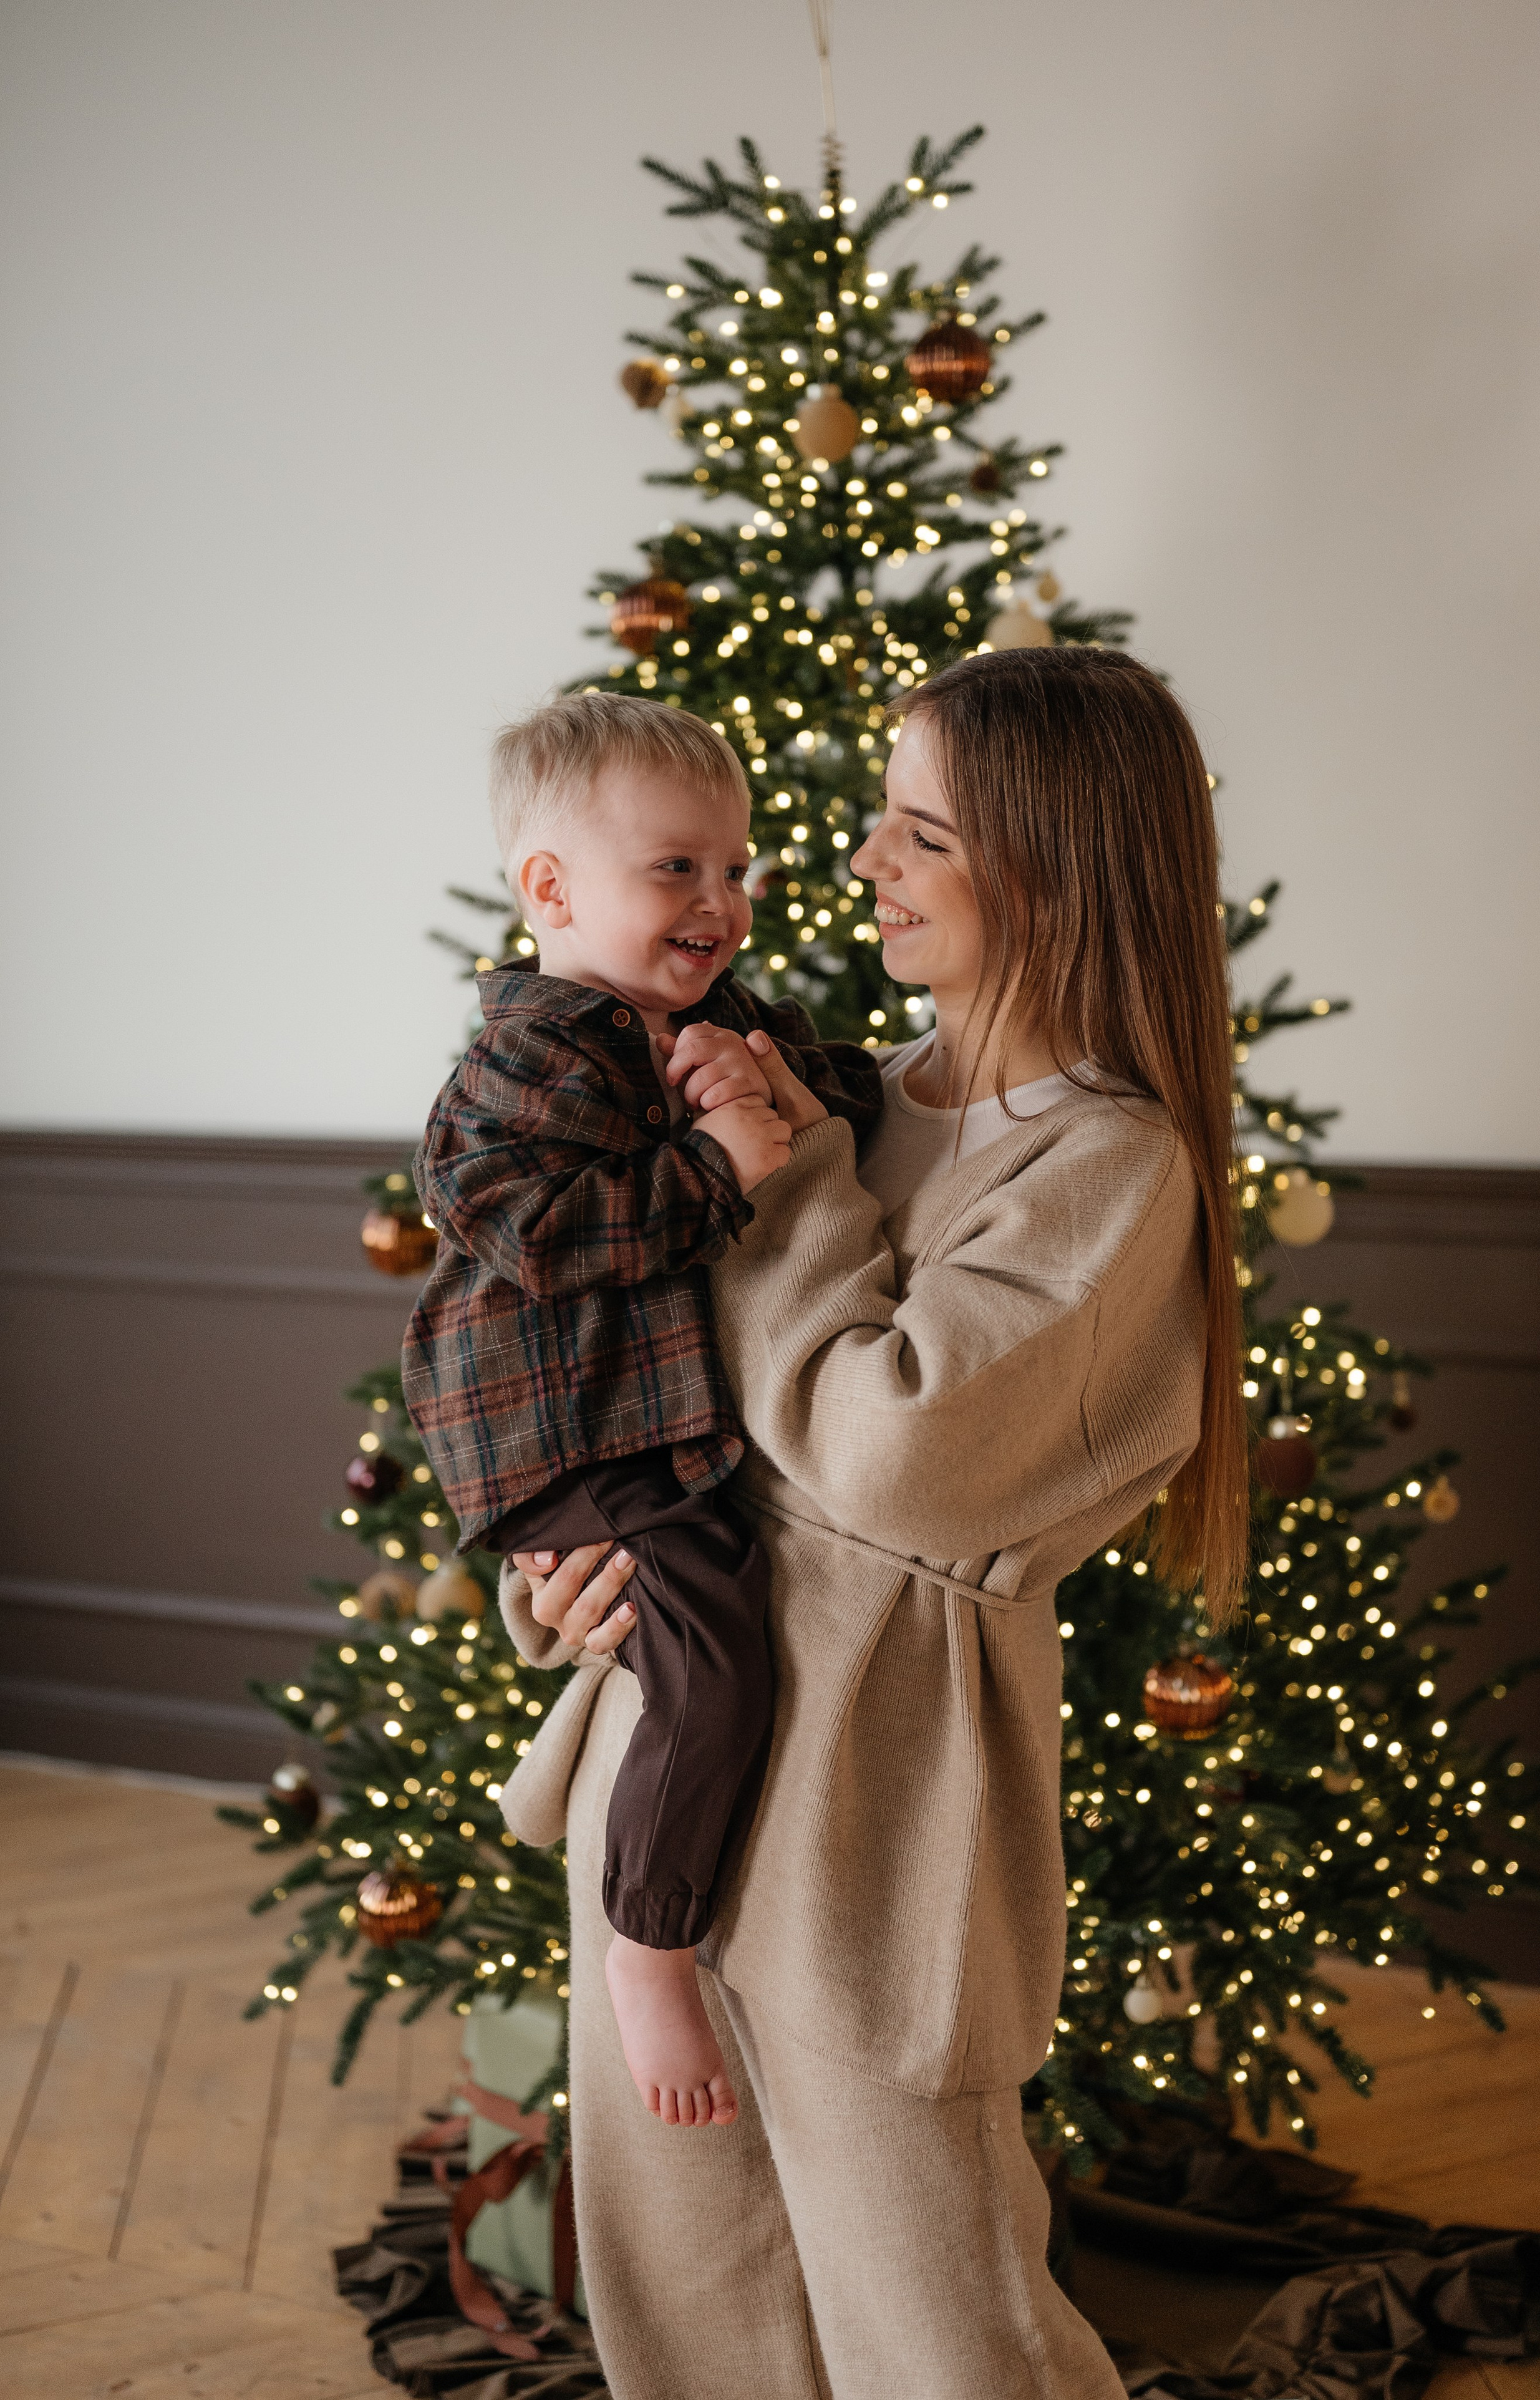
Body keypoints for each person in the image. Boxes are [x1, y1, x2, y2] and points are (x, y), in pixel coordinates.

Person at [497, 646, 1248, 2400]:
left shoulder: (1107, 1169)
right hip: (663, 1757)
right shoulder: (818, 1085)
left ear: (1052, 872)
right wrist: (564, 1569)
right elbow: (610, 1354)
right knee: (682, 2265)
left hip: (878, 1805)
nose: (860, 871)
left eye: (919, 835)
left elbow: (894, 1453)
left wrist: (787, 1177)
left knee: (932, 2302)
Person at [402, 692, 882, 2132]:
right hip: (553, 1422)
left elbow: (861, 1097)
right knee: (715, 1643)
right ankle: (648, 1942)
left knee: (724, 1613)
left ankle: (657, 1921)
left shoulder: (706, 1017)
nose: (721, 900)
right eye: (676, 867)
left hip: (640, 1417)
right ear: (549, 888)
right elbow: (533, 1234)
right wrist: (724, 1162)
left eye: (734, 868)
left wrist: (777, 1085)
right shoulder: (527, 1056)